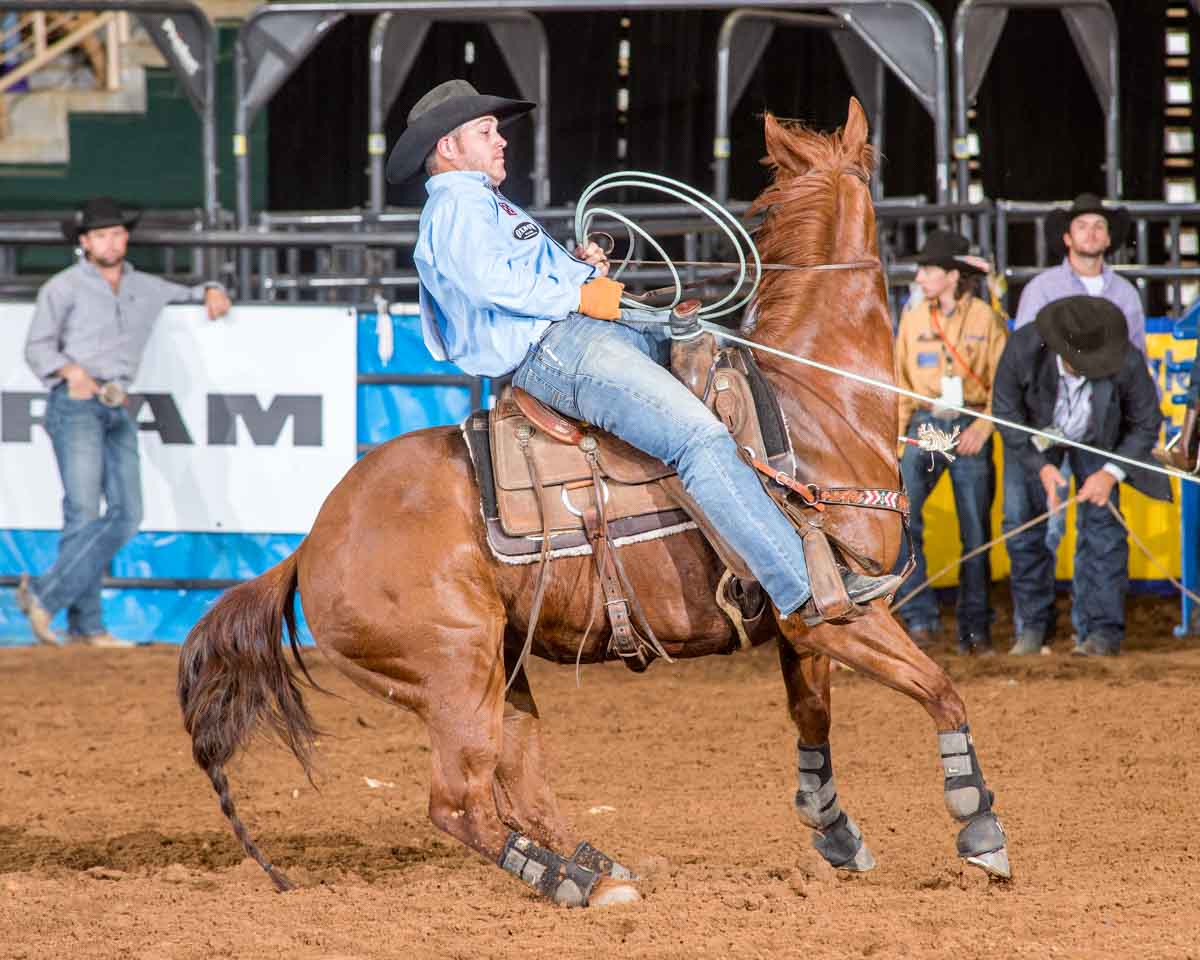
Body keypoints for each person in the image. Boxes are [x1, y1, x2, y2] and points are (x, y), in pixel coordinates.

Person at [385, 78, 897, 626]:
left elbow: (512, 277)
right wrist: (578, 291)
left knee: (720, 365)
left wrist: (580, 269)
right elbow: (489, 283)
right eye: (485, 132)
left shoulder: (480, 202)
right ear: (447, 147)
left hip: (577, 335)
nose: (500, 140)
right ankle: (803, 586)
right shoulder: (459, 202)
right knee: (697, 438)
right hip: (560, 351)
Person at [17, 196, 232, 648]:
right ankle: (85, 625)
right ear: (84, 242)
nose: (110, 242)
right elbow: (38, 348)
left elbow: (191, 291)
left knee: (124, 513)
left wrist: (212, 288)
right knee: (86, 511)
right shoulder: (63, 288)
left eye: (115, 233)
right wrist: (71, 372)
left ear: (125, 238)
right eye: (100, 235)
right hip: (76, 401)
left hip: (115, 403)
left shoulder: (145, 286)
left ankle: (51, 600)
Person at [992, 296, 1169, 657]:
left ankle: (1101, 631)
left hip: (1100, 442)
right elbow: (1006, 414)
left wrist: (1109, 473)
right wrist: (1040, 467)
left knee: (1102, 530)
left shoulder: (1126, 359)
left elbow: (1147, 423)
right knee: (1022, 525)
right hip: (1035, 440)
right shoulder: (1023, 350)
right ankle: (1033, 626)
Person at [892, 231, 1008, 655]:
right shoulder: (912, 318)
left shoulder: (985, 318)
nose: (921, 276)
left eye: (929, 269)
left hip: (971, 424)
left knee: (975, 531)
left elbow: (1005, 382)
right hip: (924, 426)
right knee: (904, 521)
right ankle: (921, 617)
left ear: (951, 276)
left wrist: (986, 425)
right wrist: (897, 438)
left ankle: (975, 630)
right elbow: (901, 381)